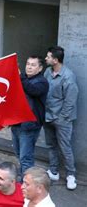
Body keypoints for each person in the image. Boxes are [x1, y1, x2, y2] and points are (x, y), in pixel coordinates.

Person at [43, 46, 78, 190]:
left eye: (48, 56)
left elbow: (70, 101)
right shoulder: (47, 72)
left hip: (61, 119)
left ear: (56, 60)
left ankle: (71, 175)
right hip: (48, 116)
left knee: (65, 148)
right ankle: (54, 171)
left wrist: (61, 118)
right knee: (51, 145)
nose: (46, 58)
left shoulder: (68, 76)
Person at [11, 56, 49, 175]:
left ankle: (27, 187)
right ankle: (26, 180)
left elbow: (32, 90)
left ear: (40, 68)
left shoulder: (42, 82)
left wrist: (20, 75)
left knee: (26, 159)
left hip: (29, 126)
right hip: (16, 123)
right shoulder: (22, 79)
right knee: (18, 154)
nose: (29, 67)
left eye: (33, 65)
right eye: (28, 63)